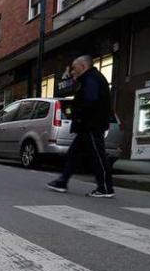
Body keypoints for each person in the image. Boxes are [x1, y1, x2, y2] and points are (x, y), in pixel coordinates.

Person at [46, 55, 115, 198]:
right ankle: (62, 181)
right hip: (87, 126)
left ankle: (106, 188)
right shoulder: (89, 79)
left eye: (74, 68)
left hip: (91, 126)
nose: (72, 71)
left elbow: (90, 102)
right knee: (73, 154)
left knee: (98, 155)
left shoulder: (91, 79)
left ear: (83, 66)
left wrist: (80, 119)